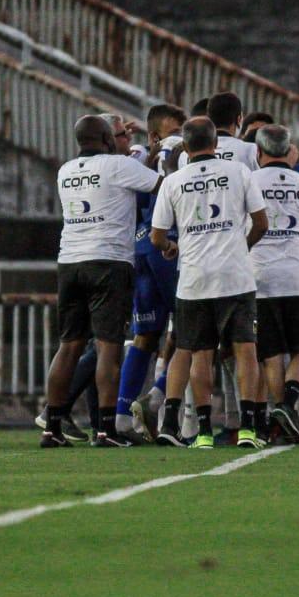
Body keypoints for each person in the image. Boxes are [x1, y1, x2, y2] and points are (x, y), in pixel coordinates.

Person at [42, 116, 161, 448]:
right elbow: (163, 185)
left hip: (69, 262)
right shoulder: (117, 166)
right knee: (109, 347)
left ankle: (51, 428)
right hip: (109, 262)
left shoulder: (65, 170)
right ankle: (107, 430)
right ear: (107, 138)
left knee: (69, 346)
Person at [150, 117, 268, 449]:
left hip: (193, 278)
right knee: (246, 350)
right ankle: (247, 428)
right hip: (235, 275)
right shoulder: (239, 172)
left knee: (199, 352)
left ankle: (202, 432)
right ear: (216, 143)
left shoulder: (174, 181)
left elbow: (158, 235)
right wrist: (239, 249)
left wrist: (171, 247)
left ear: (185, 147)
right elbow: (261, 222)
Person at [116, 103, 187, 440]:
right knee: (195, 332)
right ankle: (156, 400)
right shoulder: (182, 151)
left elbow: (139, 201)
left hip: (142, 245)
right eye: (174, 131)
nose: (179, 137)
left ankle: (121, 416)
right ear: (156, 134)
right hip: (169, 245)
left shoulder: (139, 156)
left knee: (145, 335)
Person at [249, 126, 299, 442]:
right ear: (289, 150)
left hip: (259, 276)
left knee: (271, 354)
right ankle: (287, 407)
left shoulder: (249, 182)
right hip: (298, 277)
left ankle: (280, 417)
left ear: (258, 152)